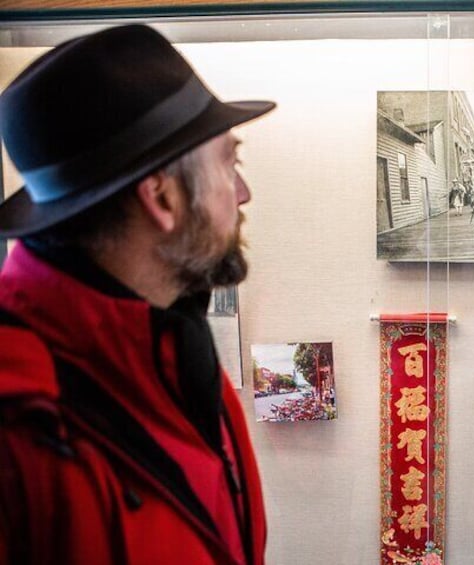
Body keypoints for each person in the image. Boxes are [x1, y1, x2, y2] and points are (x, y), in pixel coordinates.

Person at [0, 25, 275, 564]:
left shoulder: (172, 349)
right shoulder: (19, 428)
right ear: (162, 197)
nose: (243, 193)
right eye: (228, 162)